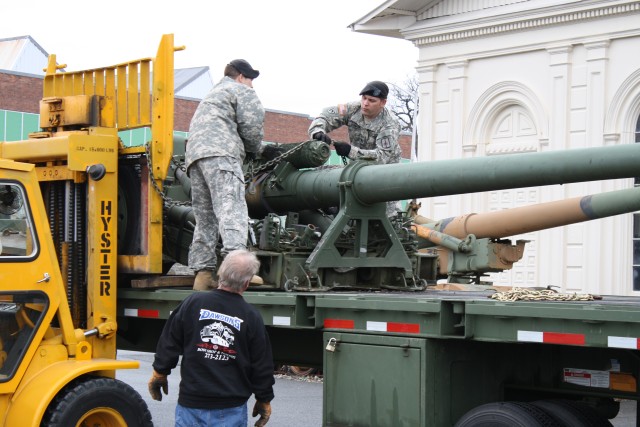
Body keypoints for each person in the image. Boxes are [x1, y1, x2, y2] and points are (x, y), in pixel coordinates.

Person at [148, 249, 275, 427]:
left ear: (220, 273)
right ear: (247, 283)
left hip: (191, 405)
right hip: (230, 409)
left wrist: (159, 372)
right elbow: (262, 365)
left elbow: (169, 341)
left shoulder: (193, 303)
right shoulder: (251, 316)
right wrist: (264, 398)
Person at [185, 59, 265, 290]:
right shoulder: (240, 90)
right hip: (222, 155)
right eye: (250, 80)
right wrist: (256, 149)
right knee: (231, 210)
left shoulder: (212, 94)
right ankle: (237, 272)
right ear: (241, 76)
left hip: (196, 158)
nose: (251, 85)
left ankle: (203, 274)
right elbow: (251, 127)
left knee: (205, 217)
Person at [308, 80, 402, 217]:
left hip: (384, 173)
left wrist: (350, 151)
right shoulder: (353, 109)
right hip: (357, 168)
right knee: (320, 176)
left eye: (371, 100)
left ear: (383, 103)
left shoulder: (390, 124)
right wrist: (318, 131)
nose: (365, 103)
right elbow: (326, 116)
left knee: (385, 217)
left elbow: (381, 157)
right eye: (364, 98)